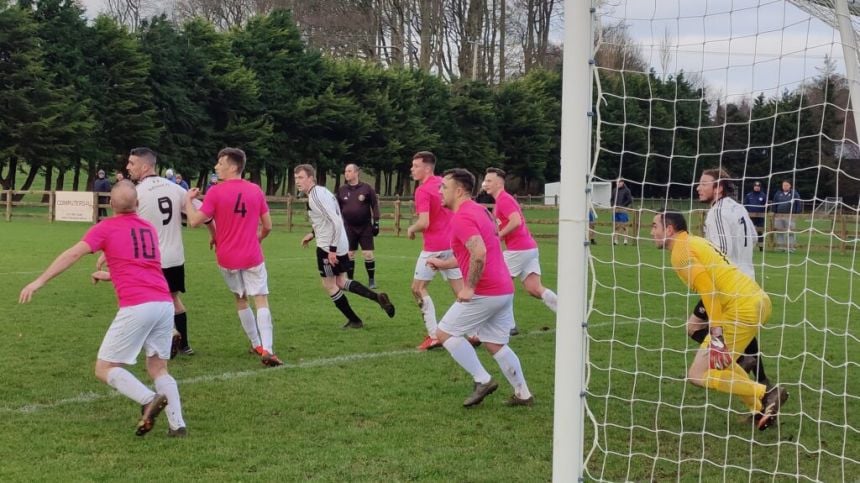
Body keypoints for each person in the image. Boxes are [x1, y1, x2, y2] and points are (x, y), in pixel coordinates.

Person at [19, 181, 187, 437]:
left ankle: (147, 399)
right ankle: (177, 426)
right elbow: (141, 265)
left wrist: (39, 281)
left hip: (138, 304)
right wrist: (111, 275)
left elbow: (72, 254)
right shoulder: (149, 228)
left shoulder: (106, 227)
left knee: (104, 368)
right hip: (163, 303)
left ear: (110, 204)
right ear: (138, 205)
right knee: (158, 367)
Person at [649, 211, 787, 430]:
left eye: (654, 226)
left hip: (740, 307)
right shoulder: (695, 242)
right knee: (722, 362)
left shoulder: (680, 253)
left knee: (697, 373)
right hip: (755, 300)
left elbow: (709, 292)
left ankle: (767, 393)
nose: (651, 232)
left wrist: (716, 335)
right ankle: (760, 408)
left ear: (669, 229)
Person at [426, 169, 534, 407]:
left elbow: (479, 253)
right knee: (494, 344)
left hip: (486, 291)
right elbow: (471, 251)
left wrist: (470, 287)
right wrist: (443, 263)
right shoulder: (480, 211)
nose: (439, 191)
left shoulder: (463, 216)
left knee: (444, 334)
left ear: (459, 190)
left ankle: (482, 379)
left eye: (444, 186)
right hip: (503, 289)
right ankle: (523, 394)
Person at [183, 147, 283, 367]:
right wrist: (257, 239)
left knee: (240, 299)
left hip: (226, 257)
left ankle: (256, 345)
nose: (216, 166)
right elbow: (268, 226)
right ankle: (268, 348)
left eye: (220, 163)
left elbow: (193, 221)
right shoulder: (255, 190)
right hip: (251, 255)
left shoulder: (216, 192)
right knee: (261, 299)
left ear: (234, 166)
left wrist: (188, 201)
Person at [126, 147, 214, 357]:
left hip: (151, 259)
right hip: (175, 257)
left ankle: (170, 334)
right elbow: (204, 214)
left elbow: (126, 227)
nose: (128, 167)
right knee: (172, 300)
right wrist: (214, 235)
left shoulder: (136, 193)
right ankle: (184, 345)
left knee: (146, 301)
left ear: (145, 166)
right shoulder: (176, 189)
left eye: (132, 163)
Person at [693, 168, 769, 387]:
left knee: (694, 326)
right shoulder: (739, 208)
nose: (698, 188)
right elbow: (754, 237)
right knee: (743, 329)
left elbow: (720, 250)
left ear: (719, 187)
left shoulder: (716, 212)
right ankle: (762, 379)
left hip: (728, 283)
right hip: (748, 280)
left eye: (704, 183)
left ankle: (740, 363)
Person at [295, 164, 395, 328]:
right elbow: (329, 219)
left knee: (329, 285)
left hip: (328, 247)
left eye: (301, 177)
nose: (297, 181)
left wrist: (332, 250)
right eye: (295, 178)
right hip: (341, 242)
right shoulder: (323, 191)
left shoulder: (315, 197)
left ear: (311, 178)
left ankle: (354, 320)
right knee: (341, 281)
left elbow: (335, 221)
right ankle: (377, 298)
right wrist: (312, 234)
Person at [481, 167, 558, 335]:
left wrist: (498, 236)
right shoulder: (501, 201)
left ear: (499, 183)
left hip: (519, 250)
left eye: (489, 181)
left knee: (499, 284)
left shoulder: (504, 199)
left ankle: (509, 326)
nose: (485, 183)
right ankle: (567, 312)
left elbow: (515, 221)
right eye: (485, 180)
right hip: (527, 248)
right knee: (534, 288)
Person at [406, 151, 464, 351]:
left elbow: (424, 222)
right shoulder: (443, 183)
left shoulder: (422, 190)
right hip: (454, 244)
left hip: (434, 248)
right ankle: (475, 332)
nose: (412, 169)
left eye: (416, 166)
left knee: (418, 288)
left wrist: (411, 229)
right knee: (462, 292)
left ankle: (434, 335)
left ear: (427, 168)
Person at [336, 163, 381, 288]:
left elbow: (375, 206)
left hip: (365, 227)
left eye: (349, 171)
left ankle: (371, 280)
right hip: (348, 227)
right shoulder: (342, 190)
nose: (346, 173)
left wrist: (376, 222)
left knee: (368, 254)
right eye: (345, 171)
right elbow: (337, 209)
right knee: (349, 254)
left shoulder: (367, 188)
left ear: (356, 172)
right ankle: (350, 280)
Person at [772, 179, 801, 251]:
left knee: (790, 232)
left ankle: (790, 248)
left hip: (790, 216)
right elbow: (774, 204)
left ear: (790, 186)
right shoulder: (778, 193)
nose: (785, 186)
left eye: (786, 185)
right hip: (778, 216)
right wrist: (774, 213)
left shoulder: (795, 194)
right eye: (783, 185)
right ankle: (780, 247)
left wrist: (796, 214)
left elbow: (798, 204)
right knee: (779, 232)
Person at [743, 181, 767, 248]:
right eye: (755, 186)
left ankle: (761, 246)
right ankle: (750, 245)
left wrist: (763, 213)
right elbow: (745, 205)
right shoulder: (749, 195)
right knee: (750, 231)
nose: (757, 187)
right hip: (750, 217)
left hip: (760, 217)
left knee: (760, 231)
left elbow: (766, 206)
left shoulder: (763, 195)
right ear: (753, 187)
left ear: (760, 187)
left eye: (758, 186)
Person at [612, 178, 633, 245]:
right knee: (616, 225)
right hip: (615, 209)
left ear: (622, 182)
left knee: (624, 225)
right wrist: (612, 205)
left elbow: (629, 200)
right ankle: (615, 240)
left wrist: (623, 206)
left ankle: (625, 240)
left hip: (623, 210)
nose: (617, 183)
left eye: (619, 182)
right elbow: (612, 199)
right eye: (616, 182)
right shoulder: (614, 190)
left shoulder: (627, 190)